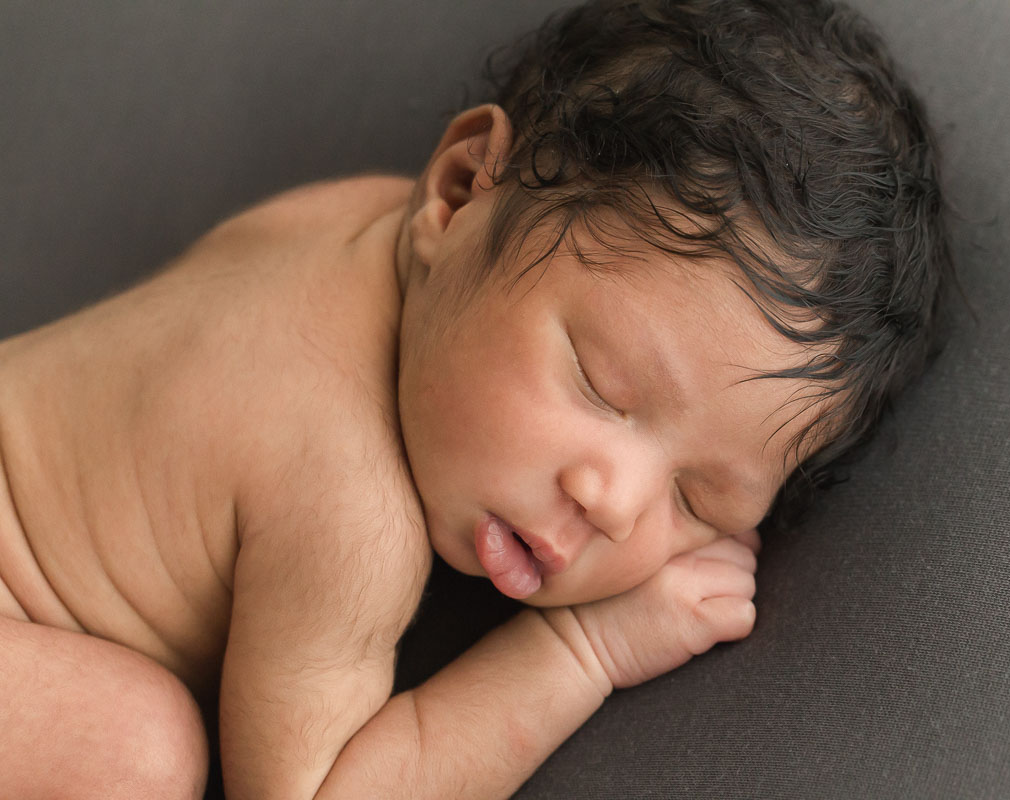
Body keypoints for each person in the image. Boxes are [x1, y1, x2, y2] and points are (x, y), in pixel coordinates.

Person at [0, 0, 952, 797]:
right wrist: (582, 653)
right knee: (131, 751)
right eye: (600, 381)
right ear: (460, 191)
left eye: (701, 502)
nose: (612, 501)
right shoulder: (346, 508)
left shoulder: (358, 221)